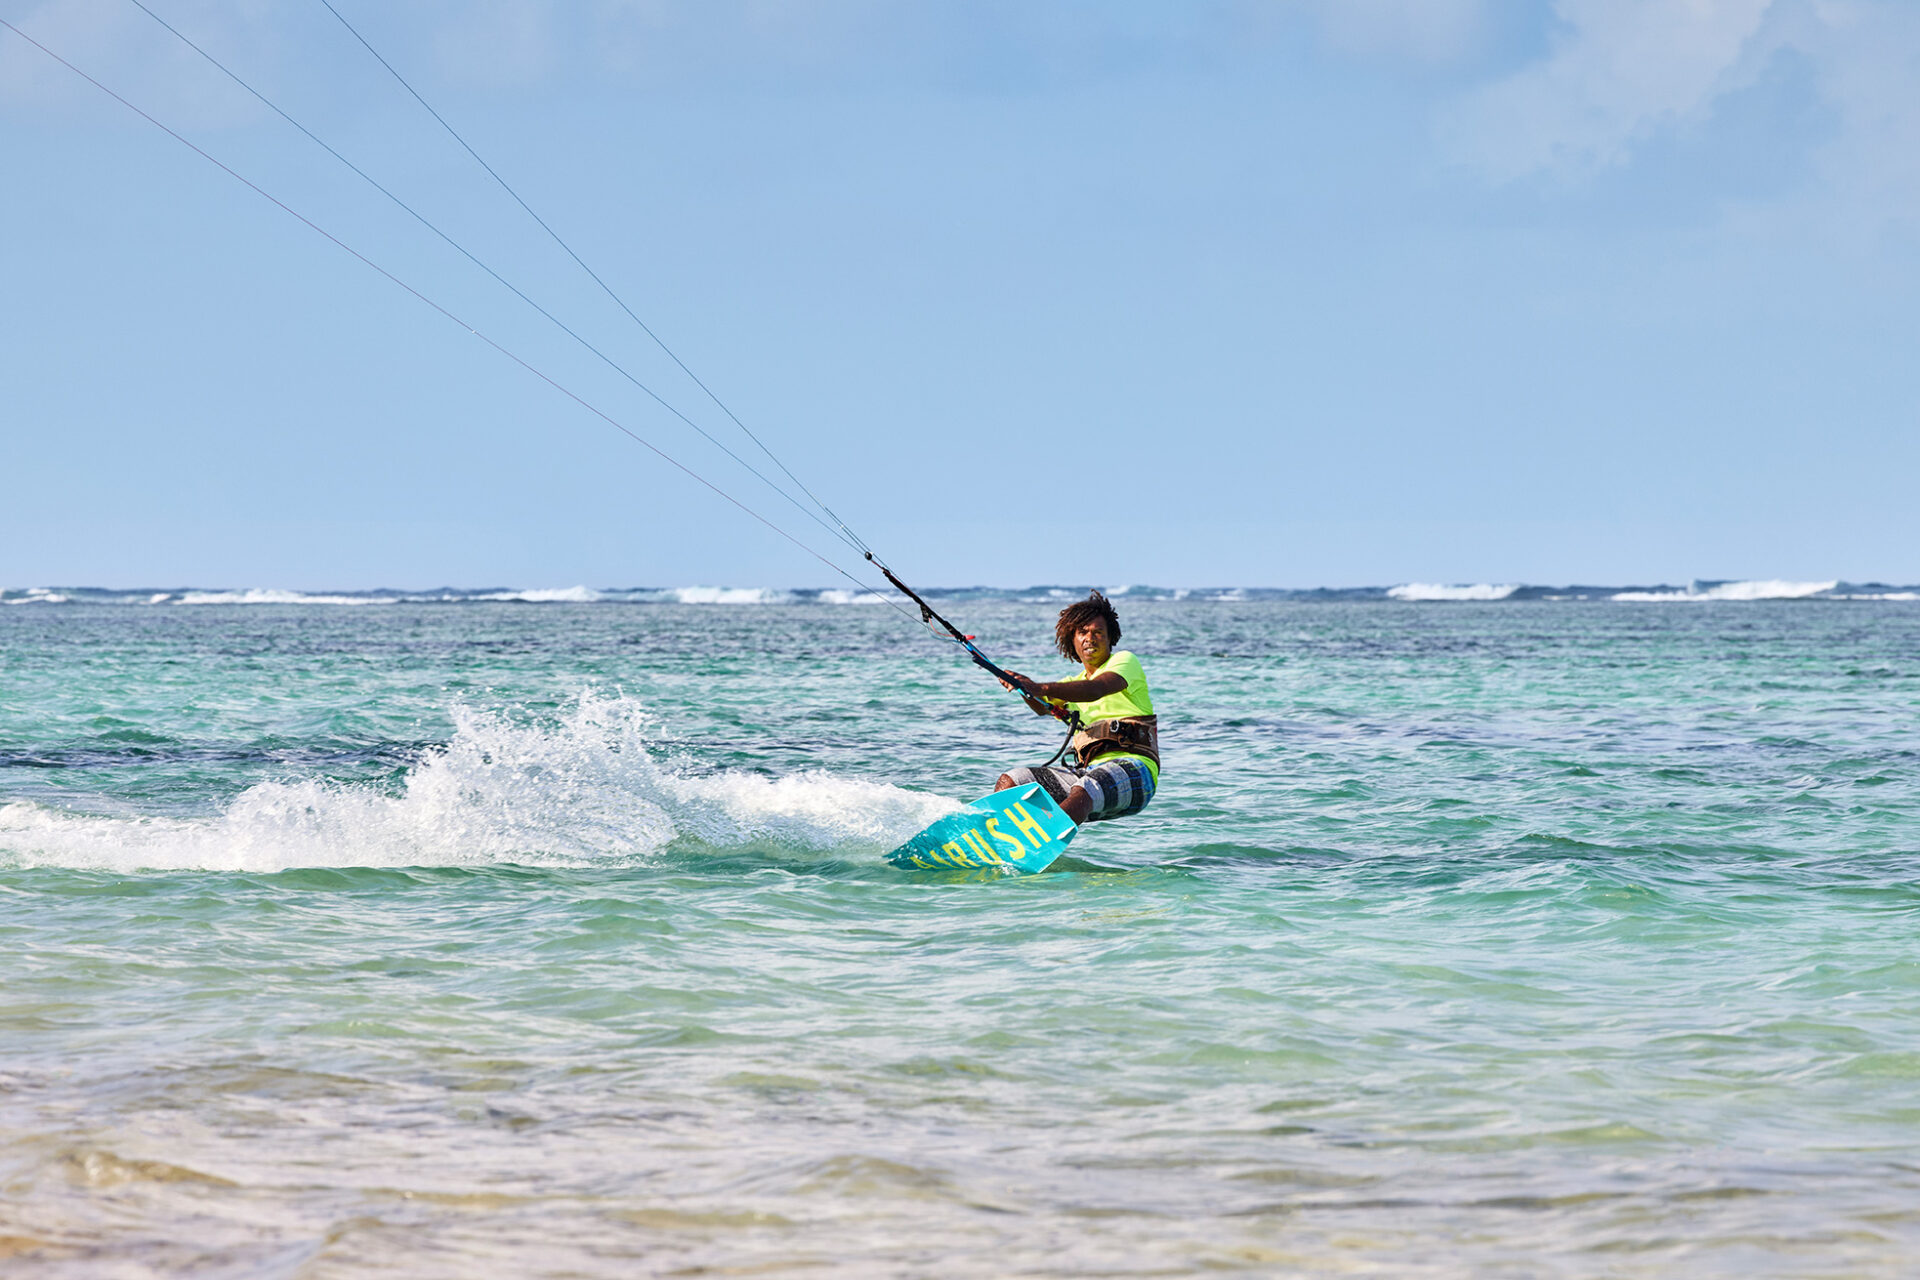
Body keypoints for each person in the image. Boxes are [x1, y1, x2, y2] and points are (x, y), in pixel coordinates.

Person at [995, 590, 1159, 826]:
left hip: (1136, 773)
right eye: (1083, 632)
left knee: (1087, 786)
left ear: (1110, 638)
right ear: (1072, 639)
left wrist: (1039, 687)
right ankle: (996, 833)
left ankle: (1048, 835)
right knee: (1013, 781)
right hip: (1088, 774)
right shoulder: (1070, 685)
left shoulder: (1124, 662)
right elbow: (1041, 707)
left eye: (1098, 632)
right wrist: (1022, 686)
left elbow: (1096, 689)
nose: (1090, 638)